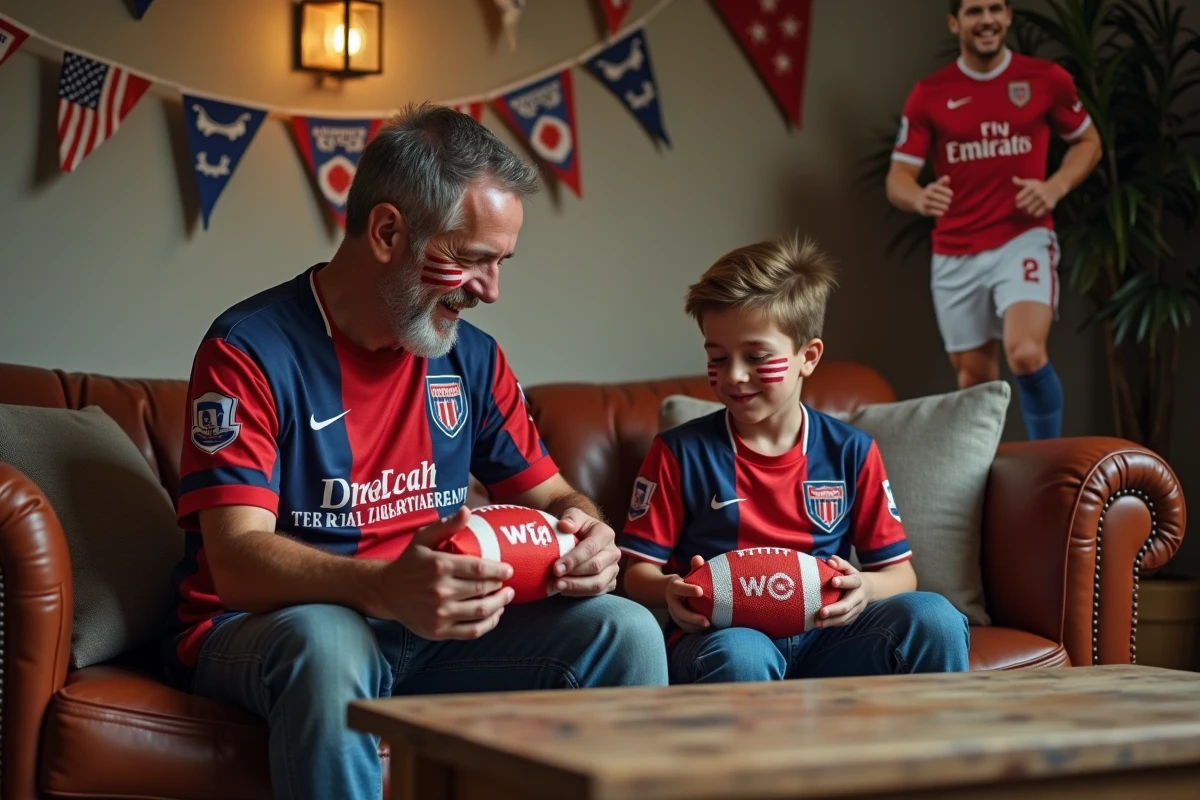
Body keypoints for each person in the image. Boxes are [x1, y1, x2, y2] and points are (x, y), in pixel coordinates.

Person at [162, 103, 668, 800]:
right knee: (329, 643)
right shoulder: (249, 350)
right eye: (470, 260)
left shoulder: (472, 360)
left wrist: (592, 532)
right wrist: (381, 587)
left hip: (432, 630)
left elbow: (553, 495)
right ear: (388, 231)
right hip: (268, 625)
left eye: (501, 263)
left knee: (626, 631)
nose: (491, 291)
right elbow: (237, 562)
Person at [618, 234, 970, 684]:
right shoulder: (678, 452)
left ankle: (940, 750)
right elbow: (636, 573)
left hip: (828, 636)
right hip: (724, 634)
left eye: (757, 357)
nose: (735, 376)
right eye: (718, 358)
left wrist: (866, 588)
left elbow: (900, 573)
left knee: (934, 617)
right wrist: (671, 589)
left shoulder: (851, 451)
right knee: (742, 656)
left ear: (808, 356)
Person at [886, 0, 1102, 440]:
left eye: (995, 8)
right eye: (973, 11)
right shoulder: (930, 93)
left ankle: (1048, 466)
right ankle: (985, 482)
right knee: (973, 381)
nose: (985, 19)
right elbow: (898, 178)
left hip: (1022, 238)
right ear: (954, 23)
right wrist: (921, 197)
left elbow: (1089, 142)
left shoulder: (1046, 80)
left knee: (1024, 352)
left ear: (1007, 17)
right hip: (955, 250)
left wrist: (1056, 186)